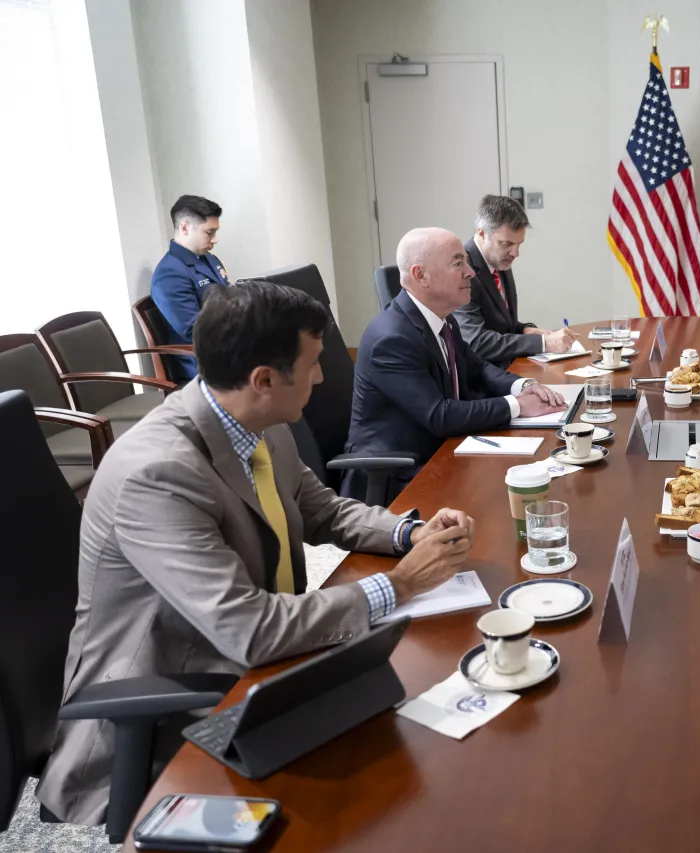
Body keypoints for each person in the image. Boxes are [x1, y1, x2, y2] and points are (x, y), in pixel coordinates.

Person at [37, 281, 475, 826]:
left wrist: (410, 535)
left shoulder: (255, 419)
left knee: (409, 744)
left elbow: (325, 511)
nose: (322, 376)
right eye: (313, 363)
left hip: (260, 663)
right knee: (384, 794)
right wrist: (400, 584)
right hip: (178, 699)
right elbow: (250, 630)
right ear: (264, 379)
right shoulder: (157, 474)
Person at [345, 227, 567, 501]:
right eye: (458, 263)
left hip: (444, 451)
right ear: (420, 275)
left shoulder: (444, 318)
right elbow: (440, 416)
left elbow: (478, 368)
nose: (471, 272)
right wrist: (518, 405)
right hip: (400, 478)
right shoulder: (391, 340)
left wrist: (524, 385)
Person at [455, 195, 577, 366]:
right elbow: (476, 341)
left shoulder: (499, 260)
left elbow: (500, 325)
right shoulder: (463, 269)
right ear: (482, 233)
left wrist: (524, 330)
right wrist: (543, 343)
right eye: (507, 243)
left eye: (519, 244)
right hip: (481, 380)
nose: (515, 253)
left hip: (508, 368)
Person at [150, 195, 231, 381]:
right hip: (204, 361)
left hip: (226, 346)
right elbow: (195, 330)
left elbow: (229, 299)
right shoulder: (169, 273)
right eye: (209, 233)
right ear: (185, 228)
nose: (215, 240)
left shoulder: (209, 259)